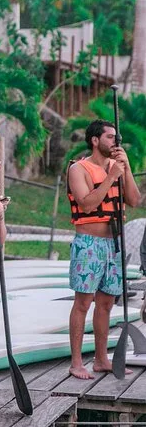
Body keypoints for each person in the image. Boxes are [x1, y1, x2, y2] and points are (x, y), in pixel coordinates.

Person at [66, 119, 141, 379]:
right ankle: (76, 363)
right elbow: (87, 204)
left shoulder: (118, 167)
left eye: (117, 137)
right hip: (89, 244)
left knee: (107, 303)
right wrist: (111, 177)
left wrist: (126, 169)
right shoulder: (79, 169)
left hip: (114, 245)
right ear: (95, 140)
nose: (115, 141)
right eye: (110, 137)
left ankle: (101, 359)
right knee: (83, 302)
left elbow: (134, 200)